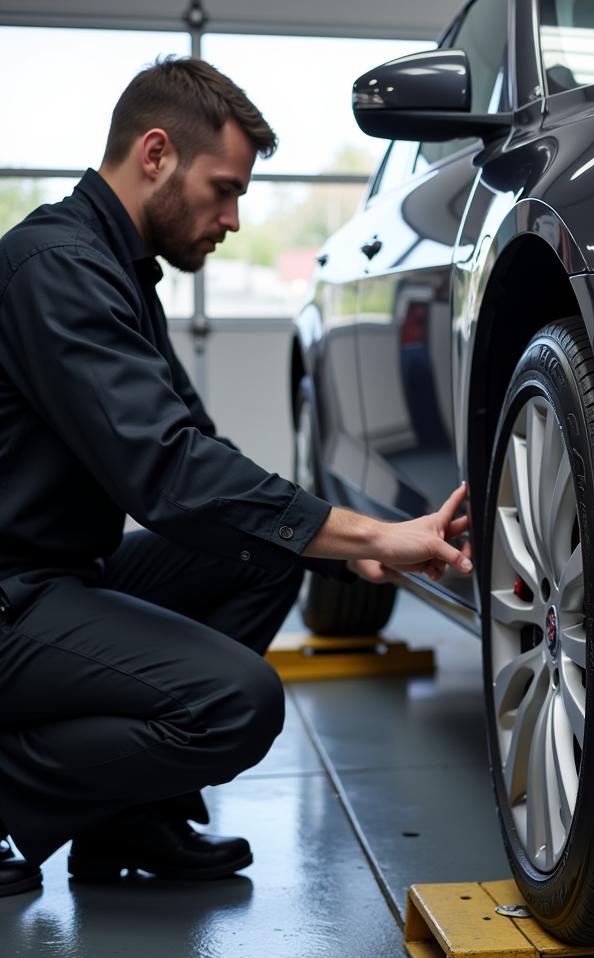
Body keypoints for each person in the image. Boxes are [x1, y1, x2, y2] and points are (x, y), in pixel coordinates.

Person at [0, 57, 472, 898]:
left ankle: (124, 820)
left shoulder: (117, 272)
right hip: (12, 598)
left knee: (265, 552)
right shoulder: (52, 270)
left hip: (58, 578)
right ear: (154, 155)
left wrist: (341, 553)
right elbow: (168, 473)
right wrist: (369, 531)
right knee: (238, 703)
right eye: (223, 189)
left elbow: (205, 458)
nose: (232, 217)